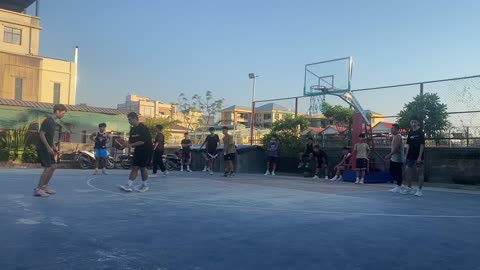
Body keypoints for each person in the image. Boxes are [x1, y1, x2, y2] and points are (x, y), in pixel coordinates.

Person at [34, 104, 67, 197]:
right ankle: (38, 189)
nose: (63, 115)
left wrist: (54, 147)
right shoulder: (48, 121)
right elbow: (42, 134)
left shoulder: (53, 122)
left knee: (53, 166)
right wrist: (48, 147)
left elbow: (50, 137)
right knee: (48, 167)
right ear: (57, 111)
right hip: (43, 148)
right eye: (63, 113)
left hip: (48, 147)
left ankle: (44, 187)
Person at [119, 112, 153, 193]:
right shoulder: (132, 129)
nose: (129, 121)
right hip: (138, 150)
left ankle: (144, 185)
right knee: (134, 167)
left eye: (130, 119)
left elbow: (142, 142)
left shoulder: (143, 128)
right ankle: (128, 185)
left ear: (135, 118)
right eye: (128, 120)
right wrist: (122, 146)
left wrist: (130, 145)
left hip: (146, 150)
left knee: (142, 168)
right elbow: (130, 141)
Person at [402, 116, 425, 197]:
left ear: (417, 122)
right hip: (410, 156)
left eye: (415, 122)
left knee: (420, 172)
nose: (413, 124)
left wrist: (419, 157)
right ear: (410, 123)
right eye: (412, 122)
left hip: (418, 155)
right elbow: (408, 145)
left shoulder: (421, 133)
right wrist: (406, 155)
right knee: (407, 171)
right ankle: (409, 187)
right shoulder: (410, 132)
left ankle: (419, 190)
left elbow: (422, 145)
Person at [384, 124, 405, 193]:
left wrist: (389, 155)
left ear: (396, 129)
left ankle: (398, 186)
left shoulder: (398, 137)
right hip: (394, 158)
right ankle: (400, 184)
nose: (391, 130)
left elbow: (396, 148)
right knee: (392, 171)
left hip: (398, 158)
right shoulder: (394, 137)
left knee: (397, 172)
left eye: (392, 128)